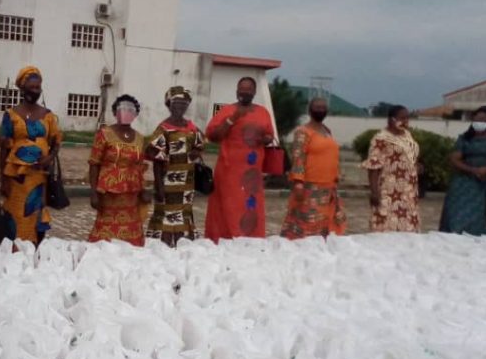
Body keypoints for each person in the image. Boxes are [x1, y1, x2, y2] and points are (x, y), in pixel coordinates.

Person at [204, 77, 276, 241]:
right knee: (229, 205)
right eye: (241, 89)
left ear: (254, 92)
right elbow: (213, 136)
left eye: (248, 89)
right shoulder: (227, 110)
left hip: (252, 172)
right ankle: (225, 237)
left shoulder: (263, 112)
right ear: (237, 91)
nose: (244, 92)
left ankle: (251, 237)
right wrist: (232, 119)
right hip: (229, 170)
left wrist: (266, 138)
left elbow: (269, 134)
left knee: (250, 204)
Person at [0, 66, 63, 244]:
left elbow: (57, 142)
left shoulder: (48, 115)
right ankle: (15, 251)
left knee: (36, 212)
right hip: (16, 177)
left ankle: (35, 249)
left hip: (39, 178)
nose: (35, 90)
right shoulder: (10, 115)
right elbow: (4, 147)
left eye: (38, 87)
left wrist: (49, 158)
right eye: (31, 87)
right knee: (17, 212)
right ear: (22, 87)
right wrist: (2, 179)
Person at [146, 86, 206, 246]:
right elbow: (157, 160)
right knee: (165, 214)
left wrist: (196, 151)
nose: (180, 106)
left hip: (186, 183)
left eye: (184, 103)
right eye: (176, 103)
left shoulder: (191, 127)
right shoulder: (163, 129)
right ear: (169, 105)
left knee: (184, 213)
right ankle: (163, 247)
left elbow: (201, 143)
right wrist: (158, 186)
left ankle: (183, 245)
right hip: (167, 183)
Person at [280, 98, 347, 240]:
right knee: (306, 226)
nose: (320, 110)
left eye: (323, 107)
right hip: (309, 187)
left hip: (328, 187)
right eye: (317, 107)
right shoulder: (303, 132)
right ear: (310, 110)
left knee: (326, 227)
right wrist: (298, 182)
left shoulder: (327, 131)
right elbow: (298, 157)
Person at [88, 95, 150, 245]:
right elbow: (94, 164)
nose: (126, 112)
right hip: (109, 194)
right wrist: (94, 193)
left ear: (135, 114)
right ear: (115, 112)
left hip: (131, 193)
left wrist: (143, 190)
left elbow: (140, 166)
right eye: (122, 109)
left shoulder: (140, 138)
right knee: (106, 231)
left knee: (132, 229)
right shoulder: (104, 134)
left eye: (130, 110)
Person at [439, 106, 486, 235]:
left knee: (478, 213)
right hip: (463, 180)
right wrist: (473, 170)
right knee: (457, 211)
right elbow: (454, 159)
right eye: (477, 118)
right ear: (473, 120)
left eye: (484, 119)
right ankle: (454, 233)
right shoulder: (464, 138)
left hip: (484, 182)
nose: (480, 121)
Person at [362, 104, 421, 232]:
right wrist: (374, 192)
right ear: (391, 119)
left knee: (407, 226)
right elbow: (373, 167)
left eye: (407, 118)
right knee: (387, 225)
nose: (405, 121)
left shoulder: (407, 135)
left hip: (408, 191)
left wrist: (416, 165)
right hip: (389, 190)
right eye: (402, 118)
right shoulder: (381, 139)